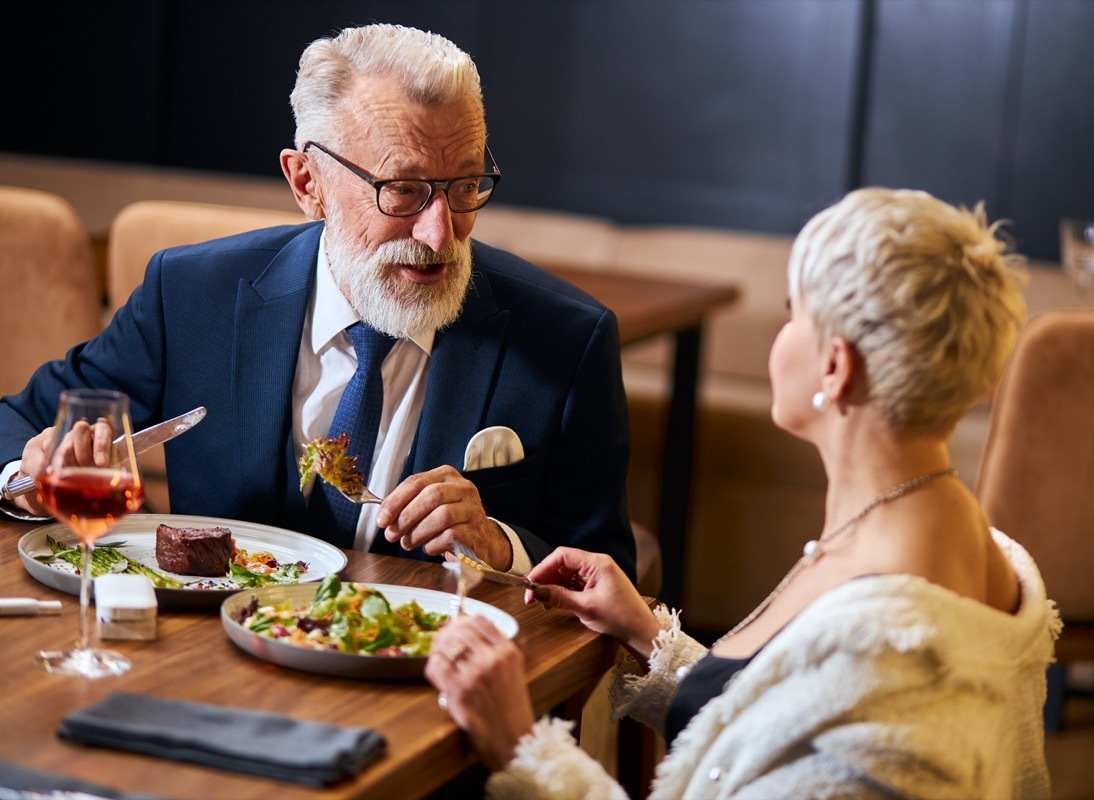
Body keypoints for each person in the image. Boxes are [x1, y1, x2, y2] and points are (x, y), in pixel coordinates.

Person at [425, 187, 1061, 798]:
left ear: (835, 368)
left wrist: (521, 749)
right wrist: (649, 637)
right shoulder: (958, 538)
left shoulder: (890, 646)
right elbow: (793, 734)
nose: (781, 336)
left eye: (793, 313)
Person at [0, 24, 636, 581]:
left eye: (466, 185)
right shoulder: (191, 295)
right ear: (307, 183)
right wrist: (31, 476)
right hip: (209, 669)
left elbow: (608, 576)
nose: (442, 233)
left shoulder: (565, 341)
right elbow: (16, 426)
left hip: (426, 683)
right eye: (403, 190)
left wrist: (500, 549)